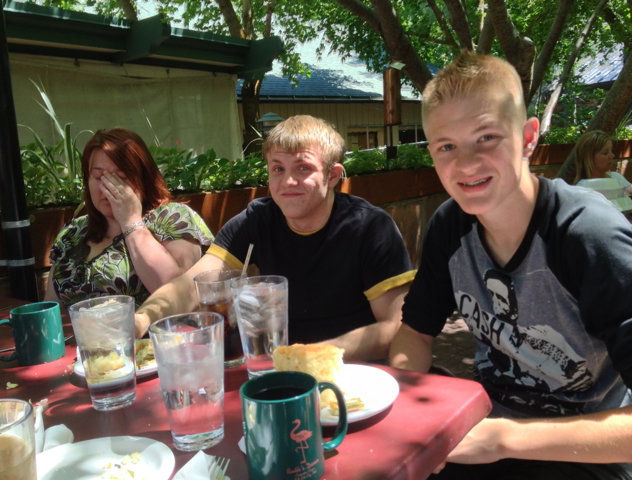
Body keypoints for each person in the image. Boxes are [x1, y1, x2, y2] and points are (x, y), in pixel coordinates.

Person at [389, 51, 632, 479]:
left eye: (487, 137)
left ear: (528, 137)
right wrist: (403, 408)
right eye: (447, 146)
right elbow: (415, 333)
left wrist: (502, 439)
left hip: (584, 455)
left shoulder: (589, 236)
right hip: (481, 432)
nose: (466, 163)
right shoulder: (450, 226)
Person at [135, 115, 415, 361]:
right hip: (278, 367)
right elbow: (190, 285)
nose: (288, 182)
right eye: (278, 169)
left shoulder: (370, 227)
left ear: (332, 176)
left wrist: (310, 355)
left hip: (354, 372)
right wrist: (140, 320)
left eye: (303, 168)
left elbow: (395, 328)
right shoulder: (257, 220)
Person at [44, 128, 213, 309]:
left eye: (120, 177)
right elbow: (49, 308)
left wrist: (130, 221)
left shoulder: (172, 217)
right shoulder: (73, 232)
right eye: (98, 177)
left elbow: (178, 297)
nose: (108, 186)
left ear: (143, 178)